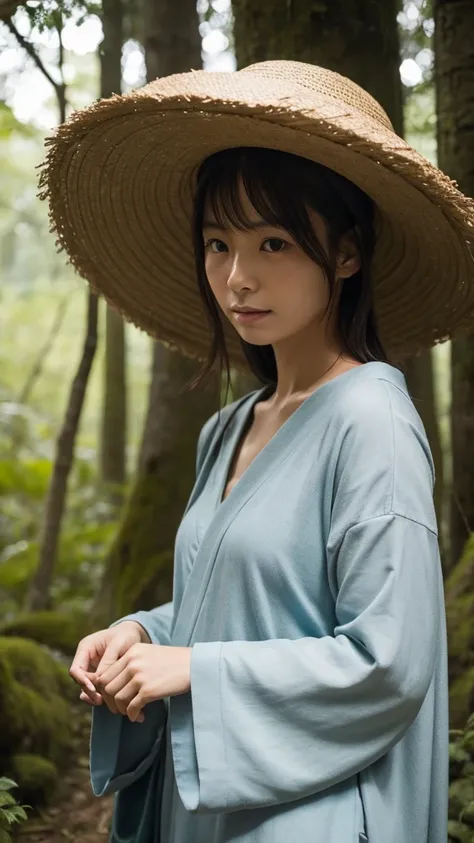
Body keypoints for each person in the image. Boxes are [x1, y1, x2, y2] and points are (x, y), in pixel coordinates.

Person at [41, 60, 474, 843]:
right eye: (217, 243)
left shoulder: (371, 420)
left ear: (345, 254)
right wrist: (142, 633)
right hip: (210, 805)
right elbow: (236, 601)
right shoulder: (228, 427)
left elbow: (391, 660)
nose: (238, 277)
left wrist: (195, 670)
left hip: (313, 817)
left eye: (274, 242)